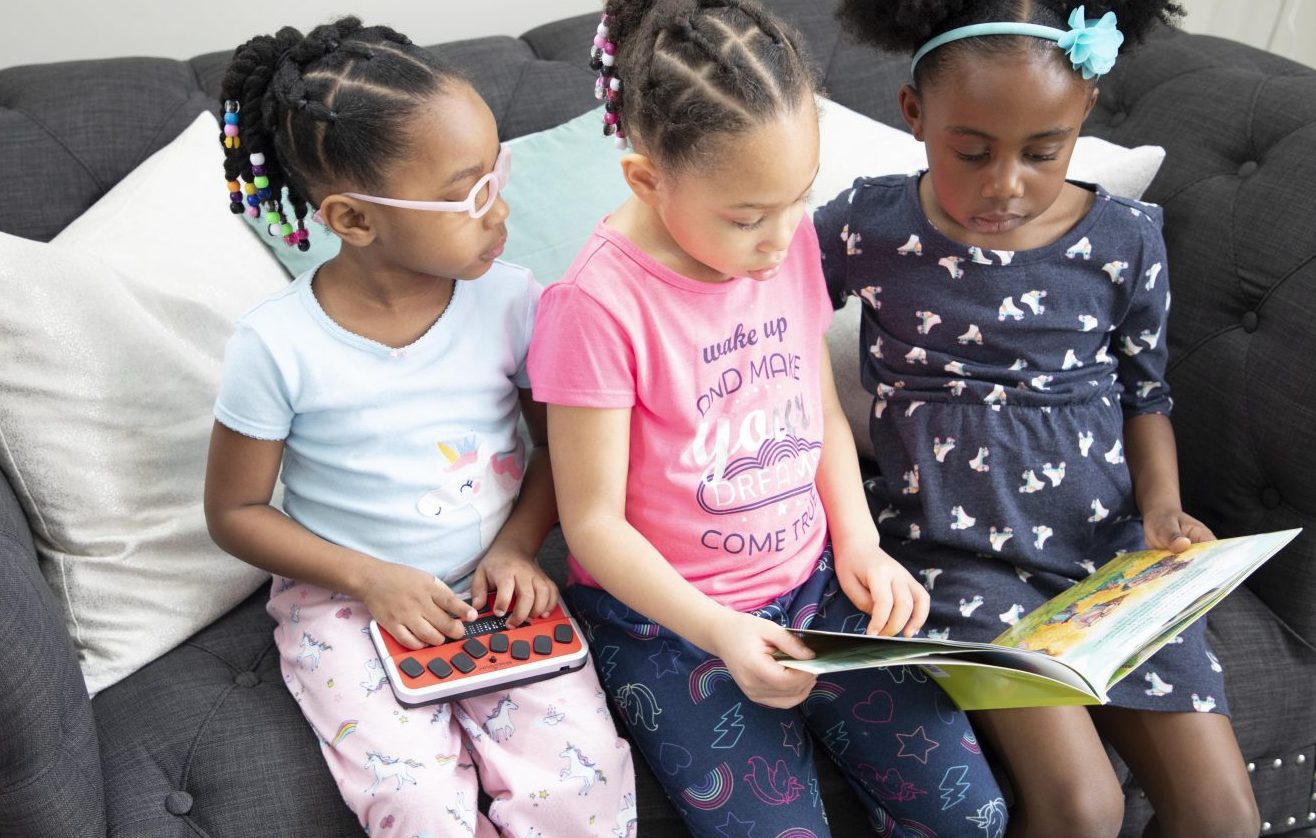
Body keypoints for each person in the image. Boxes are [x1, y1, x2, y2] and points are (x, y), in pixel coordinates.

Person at [527, 1, 1007, 835]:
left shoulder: (785, 247)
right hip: (669, 626)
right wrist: (718, 631)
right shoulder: (594, 306)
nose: (783, 239)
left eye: (799, 201)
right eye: (748, 217)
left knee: (974, 815)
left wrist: (859, 542)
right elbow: (592, 523)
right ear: (646, 178)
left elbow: (813, 398)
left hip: (817, 586)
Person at [815, 2, 1258, 835]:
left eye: (1042, 152)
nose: (1004, 184)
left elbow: (1147, 394)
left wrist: (1163, 507)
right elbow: (760, 315)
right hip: (954, 563)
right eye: (971, 152)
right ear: (914, 114)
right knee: (1083, 808)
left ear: (1084, 113)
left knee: (1223, 816)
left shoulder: (1126, 239)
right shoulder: (868, 225)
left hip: (1106, 560)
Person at [203, 18, 633, 837]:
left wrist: (514, 546)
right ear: (354, 220)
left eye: (496, 173)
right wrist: (370, 580)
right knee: (420, 810)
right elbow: (235, 514)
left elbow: (558, 447)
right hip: (345, 605)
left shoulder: (512, 300)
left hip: (495, 587)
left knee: (581, 790)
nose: (500, 207)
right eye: (468, 193)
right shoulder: (275, 346)